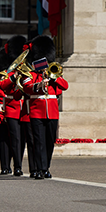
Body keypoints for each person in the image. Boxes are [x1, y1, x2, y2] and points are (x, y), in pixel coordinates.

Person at [22, 35, 68, 179]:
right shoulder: (31, 74)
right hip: (36, 112)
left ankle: (46, 167)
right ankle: (40, 169)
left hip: (52, 113)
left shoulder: (54, 74)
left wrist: (54, 78)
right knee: (39, 142)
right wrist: (40, 84)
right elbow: (27, 87)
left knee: (49, 142)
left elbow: (64, 86)